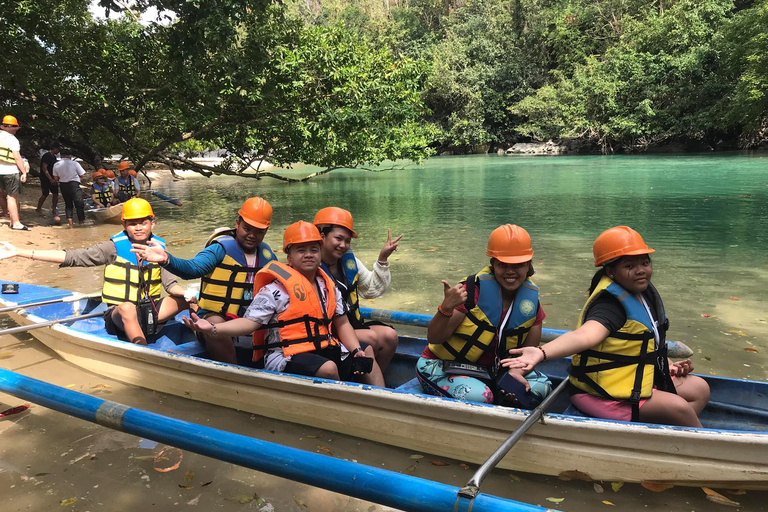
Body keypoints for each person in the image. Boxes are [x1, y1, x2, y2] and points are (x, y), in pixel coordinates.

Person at [503, 226, 710, 427]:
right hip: (602, 393)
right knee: (679, 408)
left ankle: (664, 439)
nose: (640, 271)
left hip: (632, 380)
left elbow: (642, 346)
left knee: (700, 389)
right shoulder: (610, 305)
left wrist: (665, 364)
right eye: (629, 266)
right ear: (611, 271)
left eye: (645, 263)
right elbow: (584, 336)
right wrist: (541, 352)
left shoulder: (642, 293)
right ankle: (700, 451)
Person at [183, 221, 385, 386]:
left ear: (319, 253)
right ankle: (343, 411)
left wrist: (356, 351)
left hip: (321, 347)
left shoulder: (328, 286)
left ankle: (382, 404)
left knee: (365, 353)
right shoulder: (275, 290)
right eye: (301, 250)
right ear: (289, 257)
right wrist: (213, 328)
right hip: (285, 354)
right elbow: (249, 323)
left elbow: (342, 324)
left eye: (314, 250)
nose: (308, 254)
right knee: (329, 368)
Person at [0, 198, 189, 345]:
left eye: (143, 222)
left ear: (152, 223)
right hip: (120, 316)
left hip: (150, 312)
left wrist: (189, 295)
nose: (138, 227)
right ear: (124, 226)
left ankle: (207, 338)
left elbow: (171, 285)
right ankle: (144, 351)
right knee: (127, 308)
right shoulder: (112, 248)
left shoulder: (159, 249)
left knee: (190, 300)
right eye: (132, 223)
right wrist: (20, 252)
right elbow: (73, 257)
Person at [131, 197, 278, 365]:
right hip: (214, 317)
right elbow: (193, 268)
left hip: (251, 320)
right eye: (247, 228)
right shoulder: (219, 249)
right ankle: (234, 377)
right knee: (215, 324)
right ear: (237, 224)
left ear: (266, 231)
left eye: (259, 231)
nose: (252, 235)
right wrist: (166, 259)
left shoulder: (267, 256)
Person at [419, 224, 551, 407]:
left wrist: (516, 374)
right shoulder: (471, 292)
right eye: (502, 264)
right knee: (482, 396)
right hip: (444, 366)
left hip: (494, 372)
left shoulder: (530, 303)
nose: (510, 271)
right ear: (493, 264)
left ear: (528, 265)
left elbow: (528, 353)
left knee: (540, 388)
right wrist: (446, 307)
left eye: (518, 265)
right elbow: (434, 337)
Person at [312, 207, 401, 371]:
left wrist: (382, 259)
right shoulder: (309, 265)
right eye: (338, 239)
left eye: (347, 241)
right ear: (321, 236)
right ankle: (363, 380)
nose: (343, 245)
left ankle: (370, 378)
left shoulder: (349, 262)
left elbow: (371, 290)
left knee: (390, 336)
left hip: (352, 325)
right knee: (371, 338)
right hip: (327, 331)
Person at [0, 115, 29, 230]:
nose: (17, 129)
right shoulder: (12, 139)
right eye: (15, 127)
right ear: (10, 127)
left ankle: (12, 219)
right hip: (10, 171)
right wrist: (24, 172)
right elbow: (17, 157)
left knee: (2, 195)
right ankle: (15, 222)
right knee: (12, 197)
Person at [52, 148, 86, 227]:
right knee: (79, 203)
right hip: (74, 184)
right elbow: (82, 175)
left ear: (61, 156)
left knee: (68, 204)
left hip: (63, 185)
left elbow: (56, 178)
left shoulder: (56, 165)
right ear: (69, 156)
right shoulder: (75, 164)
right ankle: (81, 222)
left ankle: (70, 223)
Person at [36, 144, 60, 215]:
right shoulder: (47, 156)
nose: (58, 152)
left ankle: (54, 209)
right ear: (54, 148)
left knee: (55, 193)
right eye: (58, 150)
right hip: (45, 178)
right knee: (45, 193)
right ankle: (38, 208)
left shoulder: (54, 157)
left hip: (53, 177)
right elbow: (44, 167)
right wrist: (49, 178)